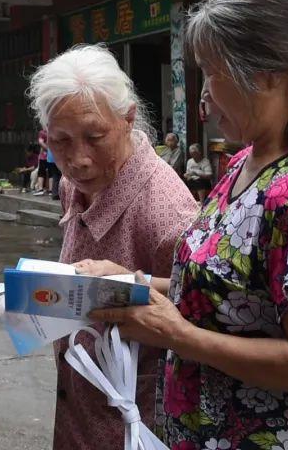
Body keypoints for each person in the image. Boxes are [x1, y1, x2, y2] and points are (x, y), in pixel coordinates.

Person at [88, 0, 288, 449]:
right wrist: (131, 283)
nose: (206, 98)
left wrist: (179, 336)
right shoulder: (246, 164)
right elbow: (224, 290)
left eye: (213, 75)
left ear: (265, 76)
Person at [27, 44, 197, 450]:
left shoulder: (166, 209)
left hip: (135, 428)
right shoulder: (74, 187)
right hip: (78, 412)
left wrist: (129, 286)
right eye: (60, 140)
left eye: (94, 137)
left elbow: (201, 305)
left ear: (128, 119)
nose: (77, 160)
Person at [33, 128, 50, 196]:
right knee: (51, 173)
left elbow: (40, 142)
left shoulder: (43, 132)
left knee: (41, 173)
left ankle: (40, 189)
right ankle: (51, 190)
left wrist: (47, 149)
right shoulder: (53, 131)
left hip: (44, 156)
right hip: (52, 157)